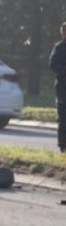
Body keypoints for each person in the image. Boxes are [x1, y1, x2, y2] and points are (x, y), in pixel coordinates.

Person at [49, 21, 66, 152]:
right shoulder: (59, 48)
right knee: (64, 116)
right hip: (63, 88)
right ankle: (62, 144)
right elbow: (53, 65)